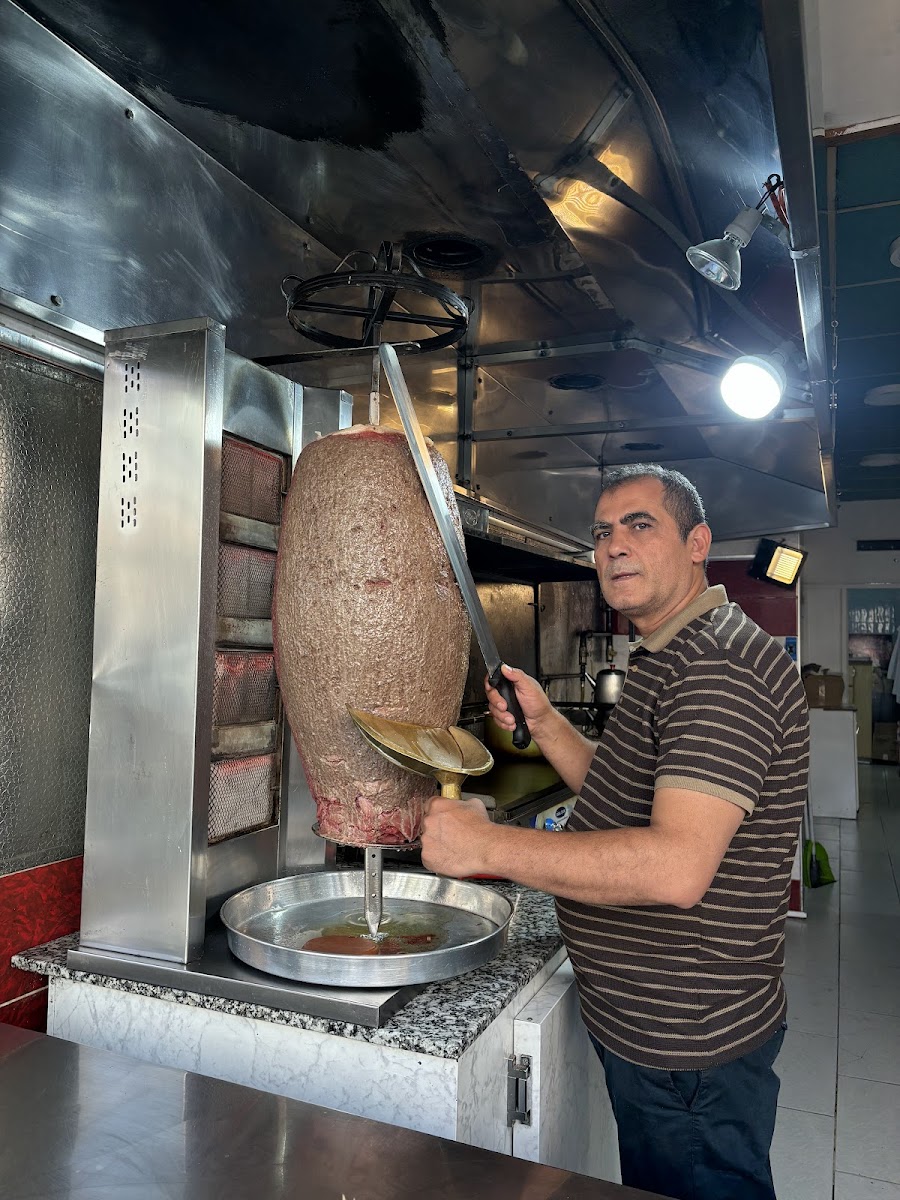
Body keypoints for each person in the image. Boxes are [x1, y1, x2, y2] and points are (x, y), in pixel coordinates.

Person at [421, 465, 809, 1200]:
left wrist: (486, 846)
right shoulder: (672, 654)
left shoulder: (718, 667)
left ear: (698, 544)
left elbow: (675, 867)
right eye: (602, 532)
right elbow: (626, 791)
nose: (614, 546)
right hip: (661, 1034)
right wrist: (546, 722)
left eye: (640, 525)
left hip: (687, 1047)